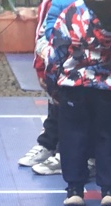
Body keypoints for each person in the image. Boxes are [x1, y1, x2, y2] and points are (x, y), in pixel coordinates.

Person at [43, 0, 111, 206]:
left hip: (74, 86)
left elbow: (55, 53)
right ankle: (110, 191)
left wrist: (52, 84)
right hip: (110, 88)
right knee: (110, 137)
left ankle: (75, 190)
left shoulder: (71, 13)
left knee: (73, 137)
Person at [21, 0, 81, 175]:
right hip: (59, 66)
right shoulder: (51, 3)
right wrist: (42, 68)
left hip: (86, 70)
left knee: (79, 112)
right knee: (57, 104)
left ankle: (70, 153)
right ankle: (49, 144)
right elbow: (43, 35)